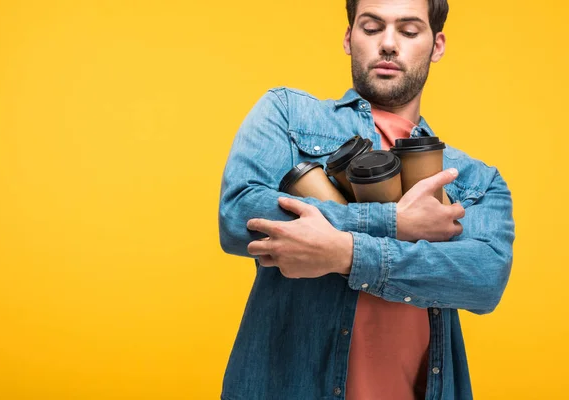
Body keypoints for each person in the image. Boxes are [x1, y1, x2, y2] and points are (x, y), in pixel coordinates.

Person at [218, 0, 515, 399]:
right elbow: (239, 218)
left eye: (409, 31)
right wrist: (393, 222)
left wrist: (345, 253)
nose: (389, 44)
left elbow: (483, 280)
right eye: (372, 27)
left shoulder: (475, 179)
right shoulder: (288, 115)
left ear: (437, 45)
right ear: (348, 37)